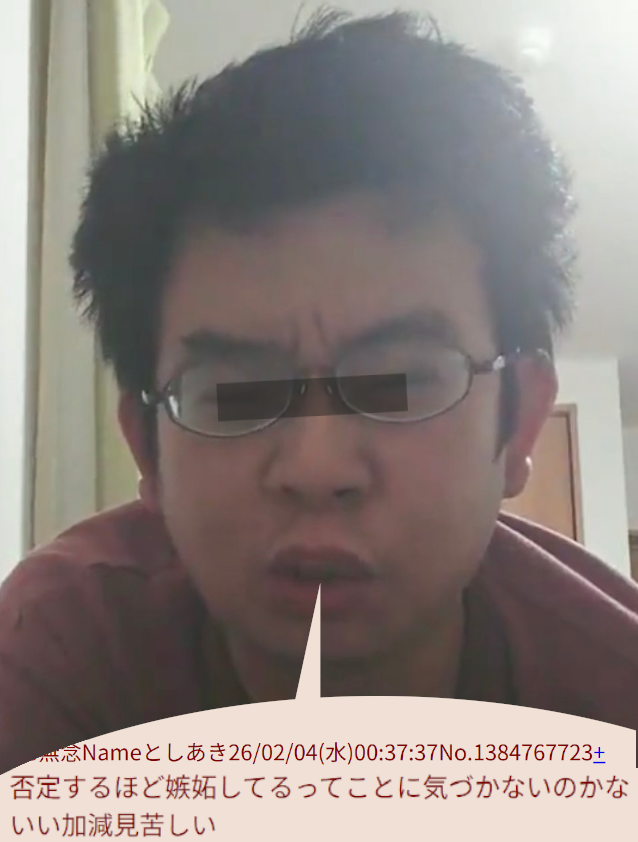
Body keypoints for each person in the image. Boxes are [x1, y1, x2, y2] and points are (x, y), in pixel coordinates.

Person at [2, 8, 638, 775]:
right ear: (147, 447)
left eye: (401, 385)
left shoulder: (613, 699)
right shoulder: (55, 658)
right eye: (232, 394)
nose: (317, 467)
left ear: (522, 422)